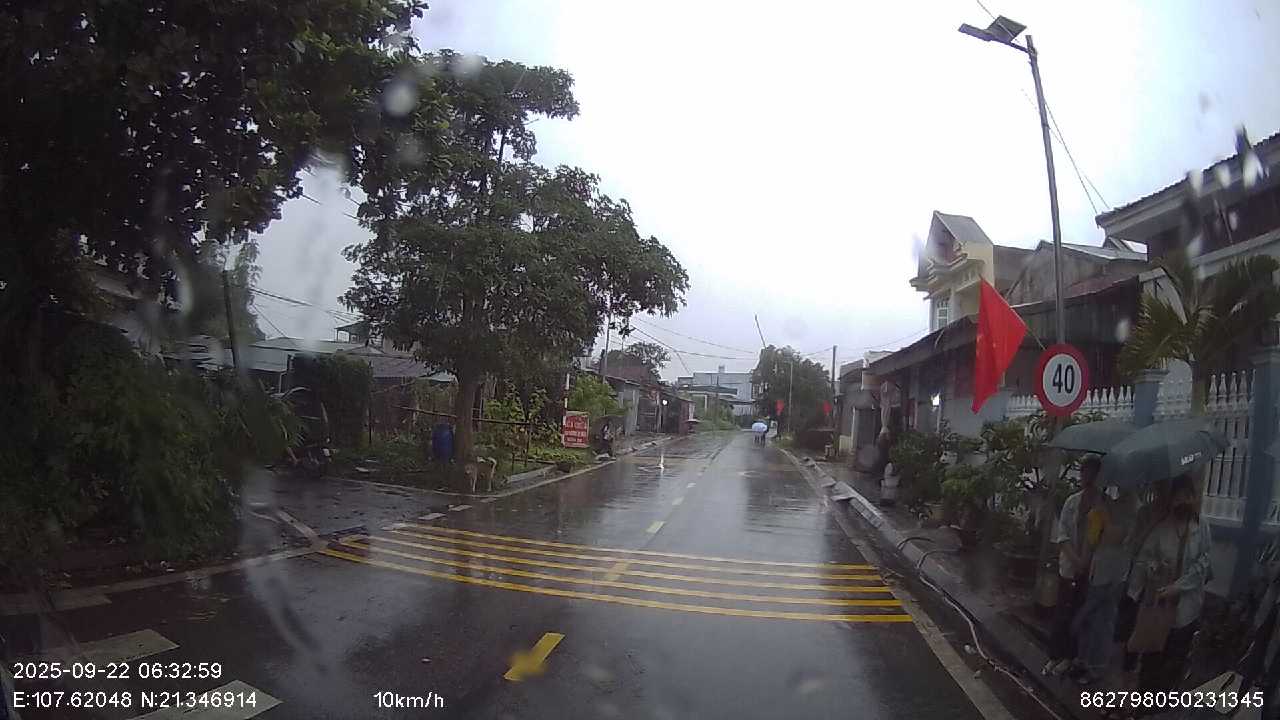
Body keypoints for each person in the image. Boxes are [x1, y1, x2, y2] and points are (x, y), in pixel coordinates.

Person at [1126, 474, 1212, 692]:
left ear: (1193, 498)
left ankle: (1163, 702)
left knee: (1175, 661)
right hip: (1159, 607)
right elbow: (1144, 558)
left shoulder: (1201, 527)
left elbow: (1204, 563)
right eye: (1178, 497)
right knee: (1152, 658)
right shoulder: (1162, 528)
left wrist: (1179, 587)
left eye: (1187, 497)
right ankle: (1144, 700)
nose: (1182, 502)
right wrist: (1153, 568)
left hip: (1186, 608)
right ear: (1172, 500)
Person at [1069, 484, 1137, 685]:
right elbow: (1093, 539)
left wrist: (1104, 516)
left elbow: (1116, 537)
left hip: (1113, 575)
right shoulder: (1113, 506)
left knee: (1102, 621)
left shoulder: (1133, 510)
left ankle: (1095, 667)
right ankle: (1084, 660)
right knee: (1094, 619)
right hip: (1102, 571)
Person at [1044, 454, 1102, 676]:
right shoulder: (1072, 501)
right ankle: (1054, 655)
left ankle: (1070, 657)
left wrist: (1085, 562)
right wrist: (1075, 559)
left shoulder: (1103, 505)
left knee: (1079, 615)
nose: (1086, 477)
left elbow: (1102, 539)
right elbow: (1063, 535)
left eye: (1091, 473)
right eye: (1084, 472)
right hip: (1069, 567)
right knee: (1062, 612)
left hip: (1090, 570)